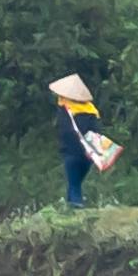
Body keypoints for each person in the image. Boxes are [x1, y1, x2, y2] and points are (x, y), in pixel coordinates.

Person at [50, 73, 115, 209]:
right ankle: (71, 208)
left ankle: (76, 209)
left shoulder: (65, 110)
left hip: (71, 152)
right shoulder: (91, 110)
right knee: (76, 182)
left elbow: (65, 132)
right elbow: (97, 131)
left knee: (73, 183)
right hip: (89, 154)